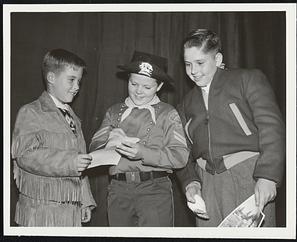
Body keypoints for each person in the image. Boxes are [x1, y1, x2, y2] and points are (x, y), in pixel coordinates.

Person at [176, 29, 285, 227]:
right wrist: (190, 183)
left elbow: (272, 128)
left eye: (200, 63)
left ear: (217, 59)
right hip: (207, 185)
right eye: (188, 64)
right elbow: (180, 152)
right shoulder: (185, 104)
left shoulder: (247, 79)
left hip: (250, 177)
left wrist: (268, 176)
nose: (193, 71)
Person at [89, 51, 189, 227]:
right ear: (127, 79)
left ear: (159, 86)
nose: (138, 91)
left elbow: (180, 156)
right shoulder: (114, 112)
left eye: (147, 87)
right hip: (118, 190)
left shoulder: (168, 113)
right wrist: (109, 141)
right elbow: (94, 147)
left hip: (154, 189)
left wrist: (143, 152)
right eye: (133, 83)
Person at [11, 49, 96, 226]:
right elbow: (25, 155)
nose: (77, 87)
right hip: (40, 210)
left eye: (79, 81)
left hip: (72, 211)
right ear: (51, 78)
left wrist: (85, 201)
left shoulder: (73, 118)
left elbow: (82, 164)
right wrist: (70, 162)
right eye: (71, 80)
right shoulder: (31, 112)